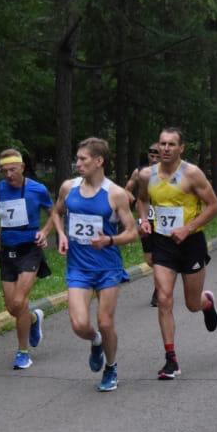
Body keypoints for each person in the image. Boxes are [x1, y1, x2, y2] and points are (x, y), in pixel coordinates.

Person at [48, 138, 137, 392]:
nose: (77, 163)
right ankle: (96, 341)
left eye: (83, 159)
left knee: (105, 322)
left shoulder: (115, 194)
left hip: (107, 268)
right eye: (77, 158)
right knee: (79, 325)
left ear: (99, 161)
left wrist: (110, 240)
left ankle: (111, 367)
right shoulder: (69, 188)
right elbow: (56, 212)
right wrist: (61, 234)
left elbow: (132, 232)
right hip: (78, 268)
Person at [135, 127, 217, 380]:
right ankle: (170, 359)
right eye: (162, 144)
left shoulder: (192, 174)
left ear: (181, 148)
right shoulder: (146, 175)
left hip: (191, 242)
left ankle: (206, 303)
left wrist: (188, 228)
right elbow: (142, 200)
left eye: (171, 144)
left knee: (192, 304)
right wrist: (144, 220)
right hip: (162, 243)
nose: (165, 148)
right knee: (164, 298)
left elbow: (214, 206)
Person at [0, 148, 52, 370]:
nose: (8, 175)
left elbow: (54, 213)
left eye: (12, 170)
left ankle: (23, 353)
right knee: (11, 307)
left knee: (18, 301)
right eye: (4, 171)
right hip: (7, 250)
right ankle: (33, 319)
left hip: (30, 249)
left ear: (22, 167)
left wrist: (44, 232)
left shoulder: (37, 189)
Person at [125, 145, 161, 306]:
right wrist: (135, 202)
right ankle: (165, 275)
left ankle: (159, 289)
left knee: (160, 258)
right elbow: (127, 190)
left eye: (157, 155)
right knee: (149, 259)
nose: (154, 158)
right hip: (146, 219)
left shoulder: (169, 172)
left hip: (163, 219)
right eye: (151, 155)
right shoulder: (139, 172)